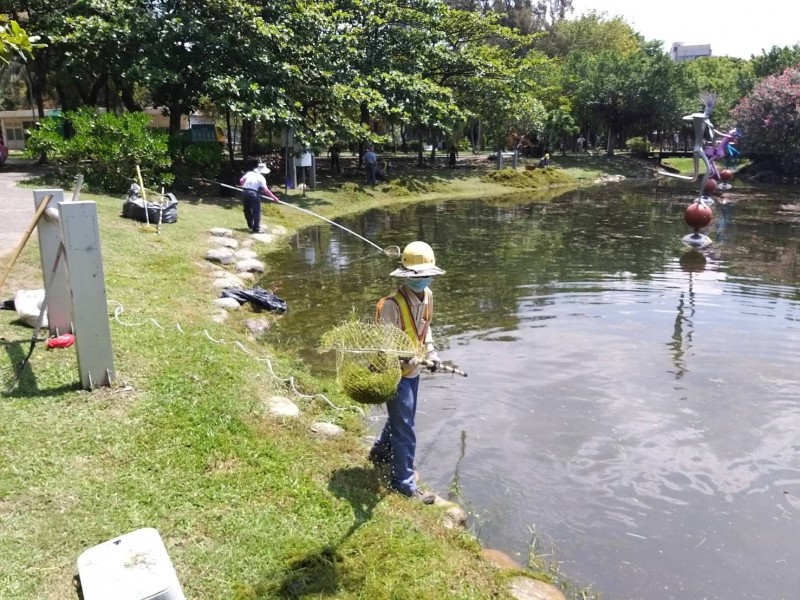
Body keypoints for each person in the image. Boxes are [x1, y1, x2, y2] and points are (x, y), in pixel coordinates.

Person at [370, 241, 446, 504]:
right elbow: (385, 343)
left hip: (414, 371)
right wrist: (406, 355)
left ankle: (380, 451)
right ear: (405, 275)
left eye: (425, 275)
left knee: (403, 417)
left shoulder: (428, 297)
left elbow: (427, 329)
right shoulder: (392, 304)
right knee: (406, 427)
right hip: (394, 372)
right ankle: (403, 483)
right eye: (416, 275)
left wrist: (432, 353)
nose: (421, 280)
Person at [239, 161, 279, 233]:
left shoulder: (249, 173)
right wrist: (274, 197)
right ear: (263, 172)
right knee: (257, 211)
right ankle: (256, 228)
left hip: (244, 192)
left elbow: (241, 180)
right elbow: (266, 190)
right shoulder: (261, 178)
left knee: (247, 210)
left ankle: (250, 225)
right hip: (253, 194)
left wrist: (246, 185)